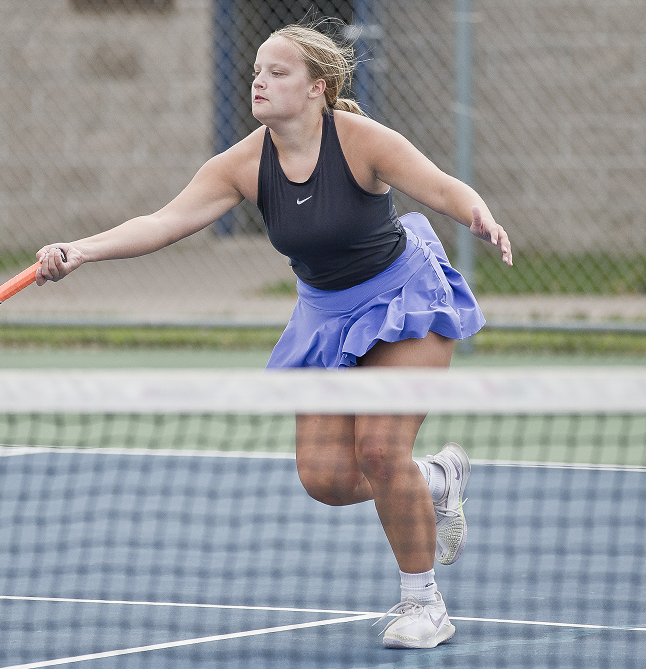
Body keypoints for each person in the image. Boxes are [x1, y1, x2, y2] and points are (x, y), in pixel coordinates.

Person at [35, 21, 512, 649]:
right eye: (257, 70)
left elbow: (441, 186)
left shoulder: (361, 141)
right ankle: (436, 480)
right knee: (325, 479)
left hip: (402, 298)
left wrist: (478, 214)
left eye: (278, 72)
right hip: (324, 315)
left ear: (318, 87)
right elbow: (163, 222)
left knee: (378, 451)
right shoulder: (242, 164)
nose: (259, 80)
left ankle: (423, 603)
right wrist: (81, 250)